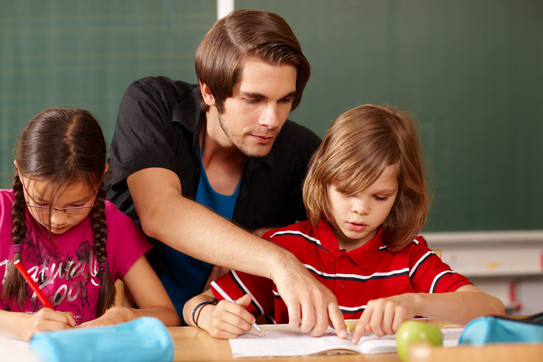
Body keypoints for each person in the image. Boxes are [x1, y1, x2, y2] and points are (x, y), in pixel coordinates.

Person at [106, 9, 346, 335]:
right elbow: (160, 212)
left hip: (236, 338)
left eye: (284, 100)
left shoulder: (301, 151)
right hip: (138, 332)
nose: (272, 120)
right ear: (209, 91)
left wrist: (271, 238)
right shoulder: (151, 104)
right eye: (254, 99)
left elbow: (343, 239)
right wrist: (277, 259)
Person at [183, 104, 505, 343]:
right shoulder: (285, 248)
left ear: (399, 195)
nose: (360, 210)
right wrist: (209, 315)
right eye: (347, 191)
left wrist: (414, 302)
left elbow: (490, 309)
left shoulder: (408, 256)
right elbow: (195, 304)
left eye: (379, 197)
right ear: (323, 181)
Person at [0, 108, 180, 341]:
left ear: (100, 179)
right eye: (41, 203)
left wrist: (125, 317)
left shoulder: (114, 225)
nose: (57, 219)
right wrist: (20, 325)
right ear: (21, 174)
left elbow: (167, 315)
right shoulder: (2, 213)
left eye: (76, 204)